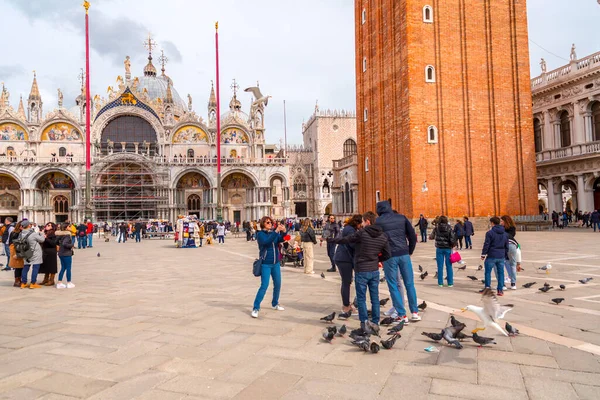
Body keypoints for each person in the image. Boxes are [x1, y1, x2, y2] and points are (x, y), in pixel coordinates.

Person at [329, 211, 391, 329]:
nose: (361, 224)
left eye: (363, 221)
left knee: (361, 298)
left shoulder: (362, 233)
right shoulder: (383, 236)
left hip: (361, 269)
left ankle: (364, 323)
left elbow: (346, 240)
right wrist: (376, 259)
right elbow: (388, 254)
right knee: (375, 298)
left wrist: (332, 240)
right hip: (374, 270)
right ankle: (376, 322)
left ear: (367, 221)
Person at [375, 200, 420, 323]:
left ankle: (402, 314)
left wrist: (379, 257)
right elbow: (412, 235)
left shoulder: (378, 221)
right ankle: (415, 312)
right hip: (404, 254)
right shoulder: (401, 218)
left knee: (393, 284)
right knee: (409, 283)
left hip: (389, 256)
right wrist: (409, 250)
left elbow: (377, 241)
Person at [251, 216, 287, 318]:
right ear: (263, 224)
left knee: (278, 284)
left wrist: (284, 231)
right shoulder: (260, 234)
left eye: (271, 222)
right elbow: (266, 242)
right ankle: (256, 307)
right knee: (264, 286)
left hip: (275, 263)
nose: (270, 224)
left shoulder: (272, 233)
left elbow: (281, 239)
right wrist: (276, 231)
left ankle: (275, 303)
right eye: (268, 222)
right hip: (265, 264)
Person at [333, 215, 361, 318]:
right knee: (346, 282)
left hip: (342, 257)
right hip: (344, 258)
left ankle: (346, 304)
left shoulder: (348, 228)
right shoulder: (350, 230)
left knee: (346, 281)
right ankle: (346, 306)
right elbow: (352, 244)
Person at [480, 216, 508, 296]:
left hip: (492, 255)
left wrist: (483, 254)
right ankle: (500, 290)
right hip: (501, 256)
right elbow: (507, 246)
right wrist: (504, 254)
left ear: (492, 223)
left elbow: (487, 244)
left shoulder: (490, 233)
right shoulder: (505, 234)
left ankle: (487, 288)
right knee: (501, 273)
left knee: (488, 272)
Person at [18, 220, 45, 289]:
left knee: (26, 267)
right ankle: (33, 283)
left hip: (26, 252)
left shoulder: (20, 234)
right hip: (35, 252)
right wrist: (42, 233)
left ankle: (23, 283)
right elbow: (42, 240)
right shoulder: (32, 234)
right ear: (29, 225)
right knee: (35, 267)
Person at [430, 216, 455, 288]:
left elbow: (431, 237)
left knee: (440, 266)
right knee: (449, 266)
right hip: (447, 249)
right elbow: (452, 238)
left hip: (439, 249)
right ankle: (450, 283)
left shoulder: (436, 228)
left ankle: (440, 283)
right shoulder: (449, 227)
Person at [501, 215, 521, 290]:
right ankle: (513, 283)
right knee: (512, 264)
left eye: (502, 221)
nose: (501, 222)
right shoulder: (512, 228)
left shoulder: (506, 228)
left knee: (502, 264)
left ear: (505, 221)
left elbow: (509, 236)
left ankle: (503, 284)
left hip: (506, 245)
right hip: (512, 245)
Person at [56, 223, 75, 289]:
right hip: (66, 253)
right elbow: (65, 243)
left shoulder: (60, 234)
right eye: (69, 227)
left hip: (61, 253)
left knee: (63, 267)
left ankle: (59, 282)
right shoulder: (67, 235)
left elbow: (57, 242)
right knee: (68, 268)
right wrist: (71, 245)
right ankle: (69, 282)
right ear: (66, 228)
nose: (70, 228)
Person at [39, 222, 58, 287]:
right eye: (47, 225)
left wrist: (46, 238)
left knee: (52, 266)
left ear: (52, 227)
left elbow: (53, 243)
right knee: (46, 265)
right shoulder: (45, 233)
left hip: (51, 251)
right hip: (45, 251)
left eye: (49, 225)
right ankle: (46, 279)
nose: (47, 226)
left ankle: (51, 280)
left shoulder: (53, 234)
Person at [8, 221, 24, 287]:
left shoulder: (20, 232)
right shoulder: (15, 233)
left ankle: (20, 279)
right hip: (16, 251)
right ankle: (17, 281)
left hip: (21, 250)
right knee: (18, 267)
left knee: (21, 267)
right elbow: (12, 243)